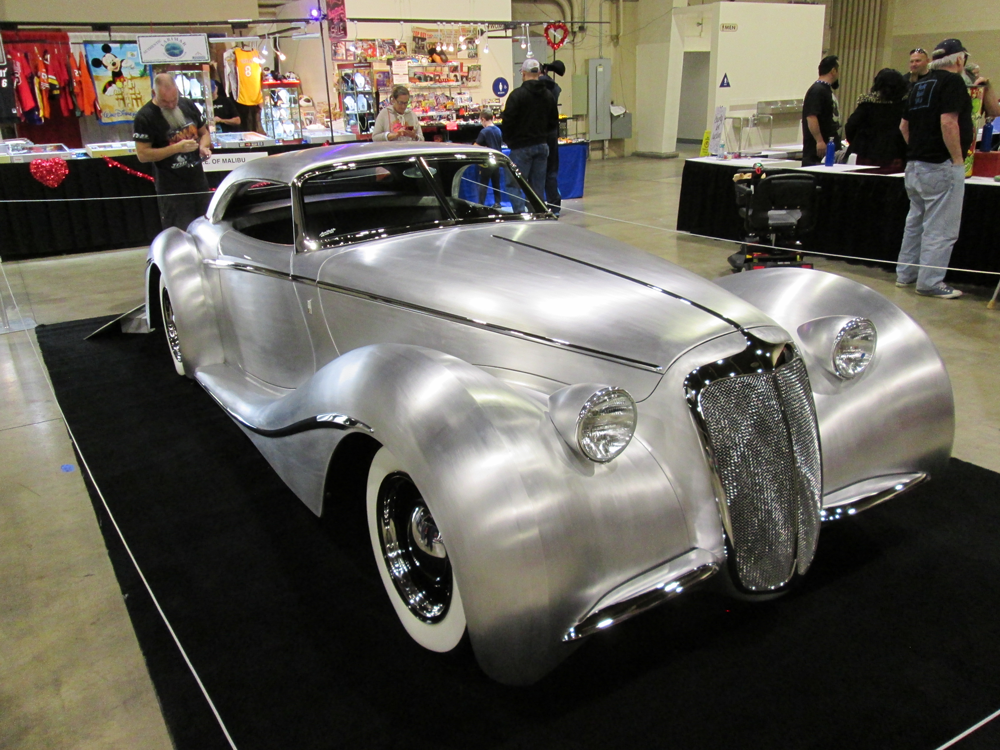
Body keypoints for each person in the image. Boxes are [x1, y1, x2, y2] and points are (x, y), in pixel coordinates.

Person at [895, 39, 975, 298]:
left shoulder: (919, 85)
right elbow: (948, 123)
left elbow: (903, 127)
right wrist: (957, 160)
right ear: (960, 60)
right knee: (941, 228)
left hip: (915, 165)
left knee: (915, 222)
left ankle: (905, 274)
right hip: (940, 165)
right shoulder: (953, 83)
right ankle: (929, 281)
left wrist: (918, 148)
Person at [133, 73, 212, 231]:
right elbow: (142, 154)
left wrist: (203, 146)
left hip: (198, 181)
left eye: (174, 100)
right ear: (154, 93)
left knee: (206, 228)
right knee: (180, 232)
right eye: (164, 102)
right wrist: (176, 148)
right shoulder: (145, 117)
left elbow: (205, 133)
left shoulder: (187, 105)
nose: (170, 105)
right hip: (172, 187)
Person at [500, 58, 558, 211]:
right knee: (537, 187)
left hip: (521, 147)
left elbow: (507, 122)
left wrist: (510, 141)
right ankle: (536, 215)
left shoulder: (517, 95)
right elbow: (554, 123)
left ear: (523, 73)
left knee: (514, 183)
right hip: (542, 146)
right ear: (539, 73)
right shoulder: (548, 95)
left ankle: (520, 215)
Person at [844, 68, 908, 173]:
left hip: (867, 154)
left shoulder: (867, 104)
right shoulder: (905, 105)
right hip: (896, 155)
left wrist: (858, 143)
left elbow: (851, 126)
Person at [801, 55, 842, 166]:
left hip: (829, 146)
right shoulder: (817, 91)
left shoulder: (825, 90)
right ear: (833, 71)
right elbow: (811, 116)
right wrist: (819, 140)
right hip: (818, 150)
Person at [539, 60, 565, 216]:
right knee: (552, 171)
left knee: (538, 172)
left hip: (539, 133)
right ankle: (554, 205)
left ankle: (538, 205)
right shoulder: (555, 88)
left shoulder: (536, 87)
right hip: (552, 132)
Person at [474, 109, 503, 207]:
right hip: (497, 160)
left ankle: (481, 204)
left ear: (483, 119)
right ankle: (498, 202)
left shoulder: (484, 131)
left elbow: (476, 146)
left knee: (483, 183)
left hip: (486, 161)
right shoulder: (498, 130)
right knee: (496, 183)